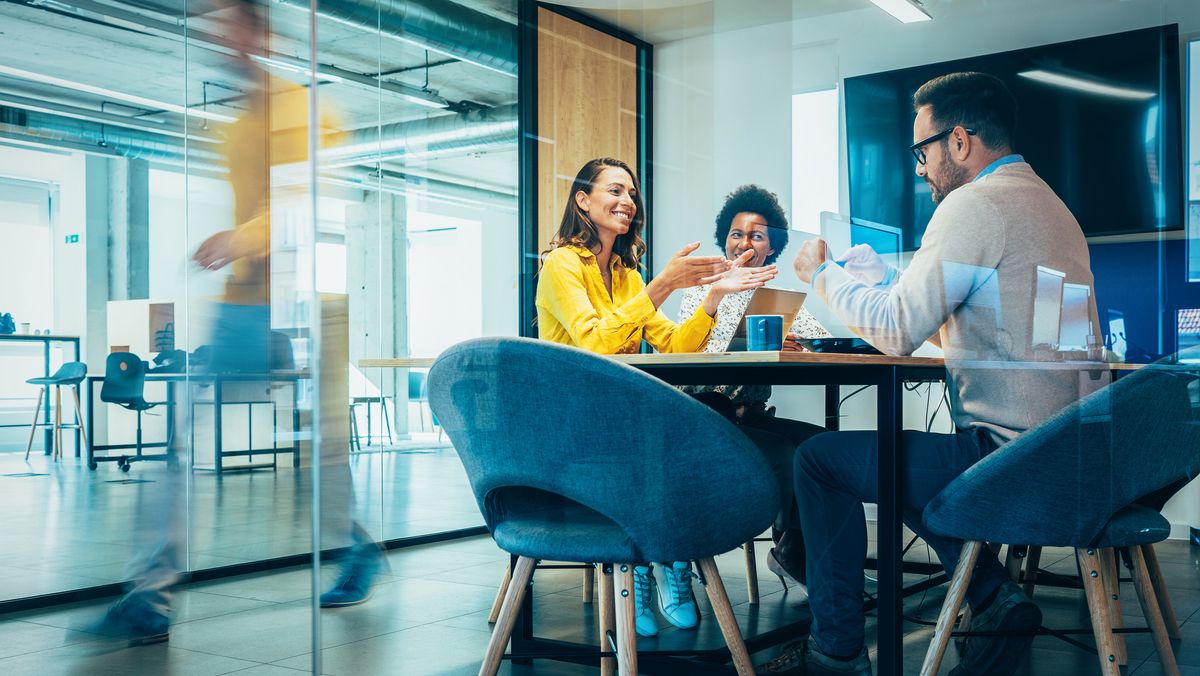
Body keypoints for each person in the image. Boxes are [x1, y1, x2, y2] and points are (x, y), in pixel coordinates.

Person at [761, 72, 1099, 675]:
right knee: (906, 457)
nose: (920, 168)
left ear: (961, 140)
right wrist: (890, 284)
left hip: (1010, 461)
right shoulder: (1050, 207)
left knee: (819, 461)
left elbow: (895, 332)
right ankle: (991, 595)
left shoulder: (974, 204)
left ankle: (834, 653)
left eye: (923, 151)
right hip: (1070, 455)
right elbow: (1002, 322)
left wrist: (822, 273)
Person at [93, 0, 380, 646]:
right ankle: (149, 593)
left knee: (324, 445)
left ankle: (355, 544)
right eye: (212, 23)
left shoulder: (307, 112)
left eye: (229, 21)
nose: (218, 34)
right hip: (245, 303)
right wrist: (233, 248)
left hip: (309, 303)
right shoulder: (234, 127)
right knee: (183, 431)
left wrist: (238, 239)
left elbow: (300, 207)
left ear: (258, 30)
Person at [536, 157, 777, 638]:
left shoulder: (627, 273)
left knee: (702, 417)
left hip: (622, 413)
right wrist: (664, 283)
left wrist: (711, 298)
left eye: (632, 194)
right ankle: (657, 559)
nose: (628, 202)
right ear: (582, 200)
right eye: (615, 191)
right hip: (576, 421)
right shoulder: (561, 264)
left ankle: (662, 558)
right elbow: (593, 343)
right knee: (676, 431)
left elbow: (676, 345)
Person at [676, 184, 830, 601]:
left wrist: (802, 340)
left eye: (756, 236)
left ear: (771, 248)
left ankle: (794, 549)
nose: (744, 243)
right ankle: (790, 551)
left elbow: (818, 340)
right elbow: (699, 352)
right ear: (724, 240)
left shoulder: (775, 297)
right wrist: (762, 342)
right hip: (706, 415)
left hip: (753, 415)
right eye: (736, 234)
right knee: (790, 456)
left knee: (824, 446)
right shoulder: (703, 290)